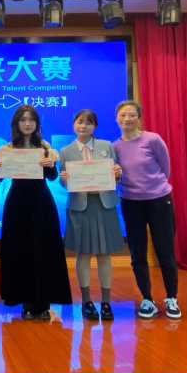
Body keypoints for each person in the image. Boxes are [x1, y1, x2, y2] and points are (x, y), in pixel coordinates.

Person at [0, 105, 72, 320]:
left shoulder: (44, 147)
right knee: (20, 251)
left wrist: (50, 165)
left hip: (41, 202)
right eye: (23, 119)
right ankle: (26, 302)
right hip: (17, 203)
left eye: (31, 119)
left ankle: (43, 303)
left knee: (44, 249)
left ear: (37, 123)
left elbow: (52, 177)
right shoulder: (7, 148)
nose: (27, 123)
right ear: (16, 123)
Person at [113, 101, 181, 319]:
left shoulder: (153, 139)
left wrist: (154, 189)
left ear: (139, 118)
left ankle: (172, 298)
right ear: (116, 118)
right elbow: (115, 177)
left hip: (159, 201)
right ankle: (147, 299)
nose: (127, 118)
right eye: (123, 115)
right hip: (131, 203)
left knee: (165, 251)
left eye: (132, 115)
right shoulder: (114, 147)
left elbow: (165, 169)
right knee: (137, 253)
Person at [59, 110, 124, 321]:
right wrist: (64, 179)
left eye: (88, 123)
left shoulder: (106, 146)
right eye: (80, 122)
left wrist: (117, 175)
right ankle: (86, 301)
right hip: (80, 207)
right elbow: (63, 183)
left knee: (104, 254)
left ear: (95, 126)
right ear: (73, 124)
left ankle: (106, 302)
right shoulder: (65, 151)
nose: (83, 126)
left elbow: (115, 177)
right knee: (84, 254)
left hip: (104, 204)